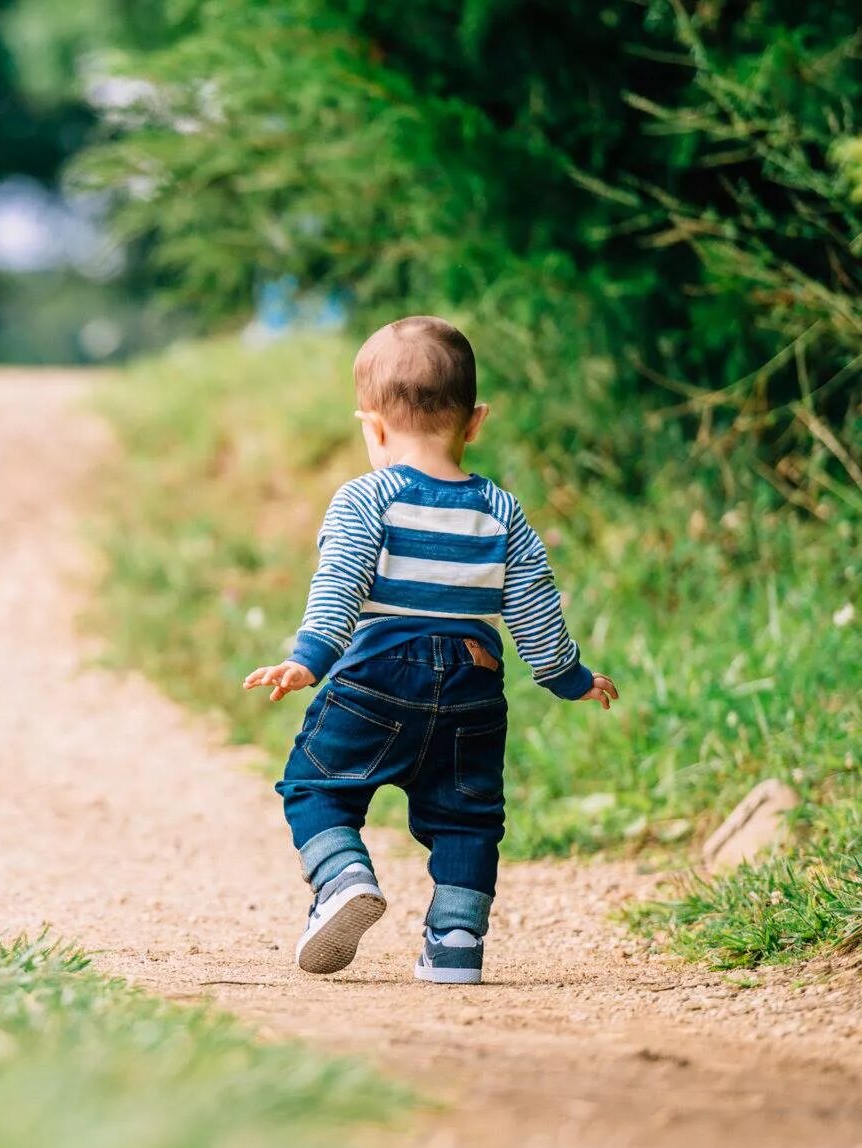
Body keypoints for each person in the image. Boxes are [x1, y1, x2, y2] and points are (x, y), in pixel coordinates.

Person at [243, 315, 618, 984]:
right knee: (468, 819)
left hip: (377, 674)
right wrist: (571, 677)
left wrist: (309, 657)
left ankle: (343, 878)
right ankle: (455, 944)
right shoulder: (502, 511)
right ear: (475, 423)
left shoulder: (368, 498)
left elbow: (341, 584)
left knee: (315, 785)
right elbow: (535, 610)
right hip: (475, 684)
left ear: (374, 427)